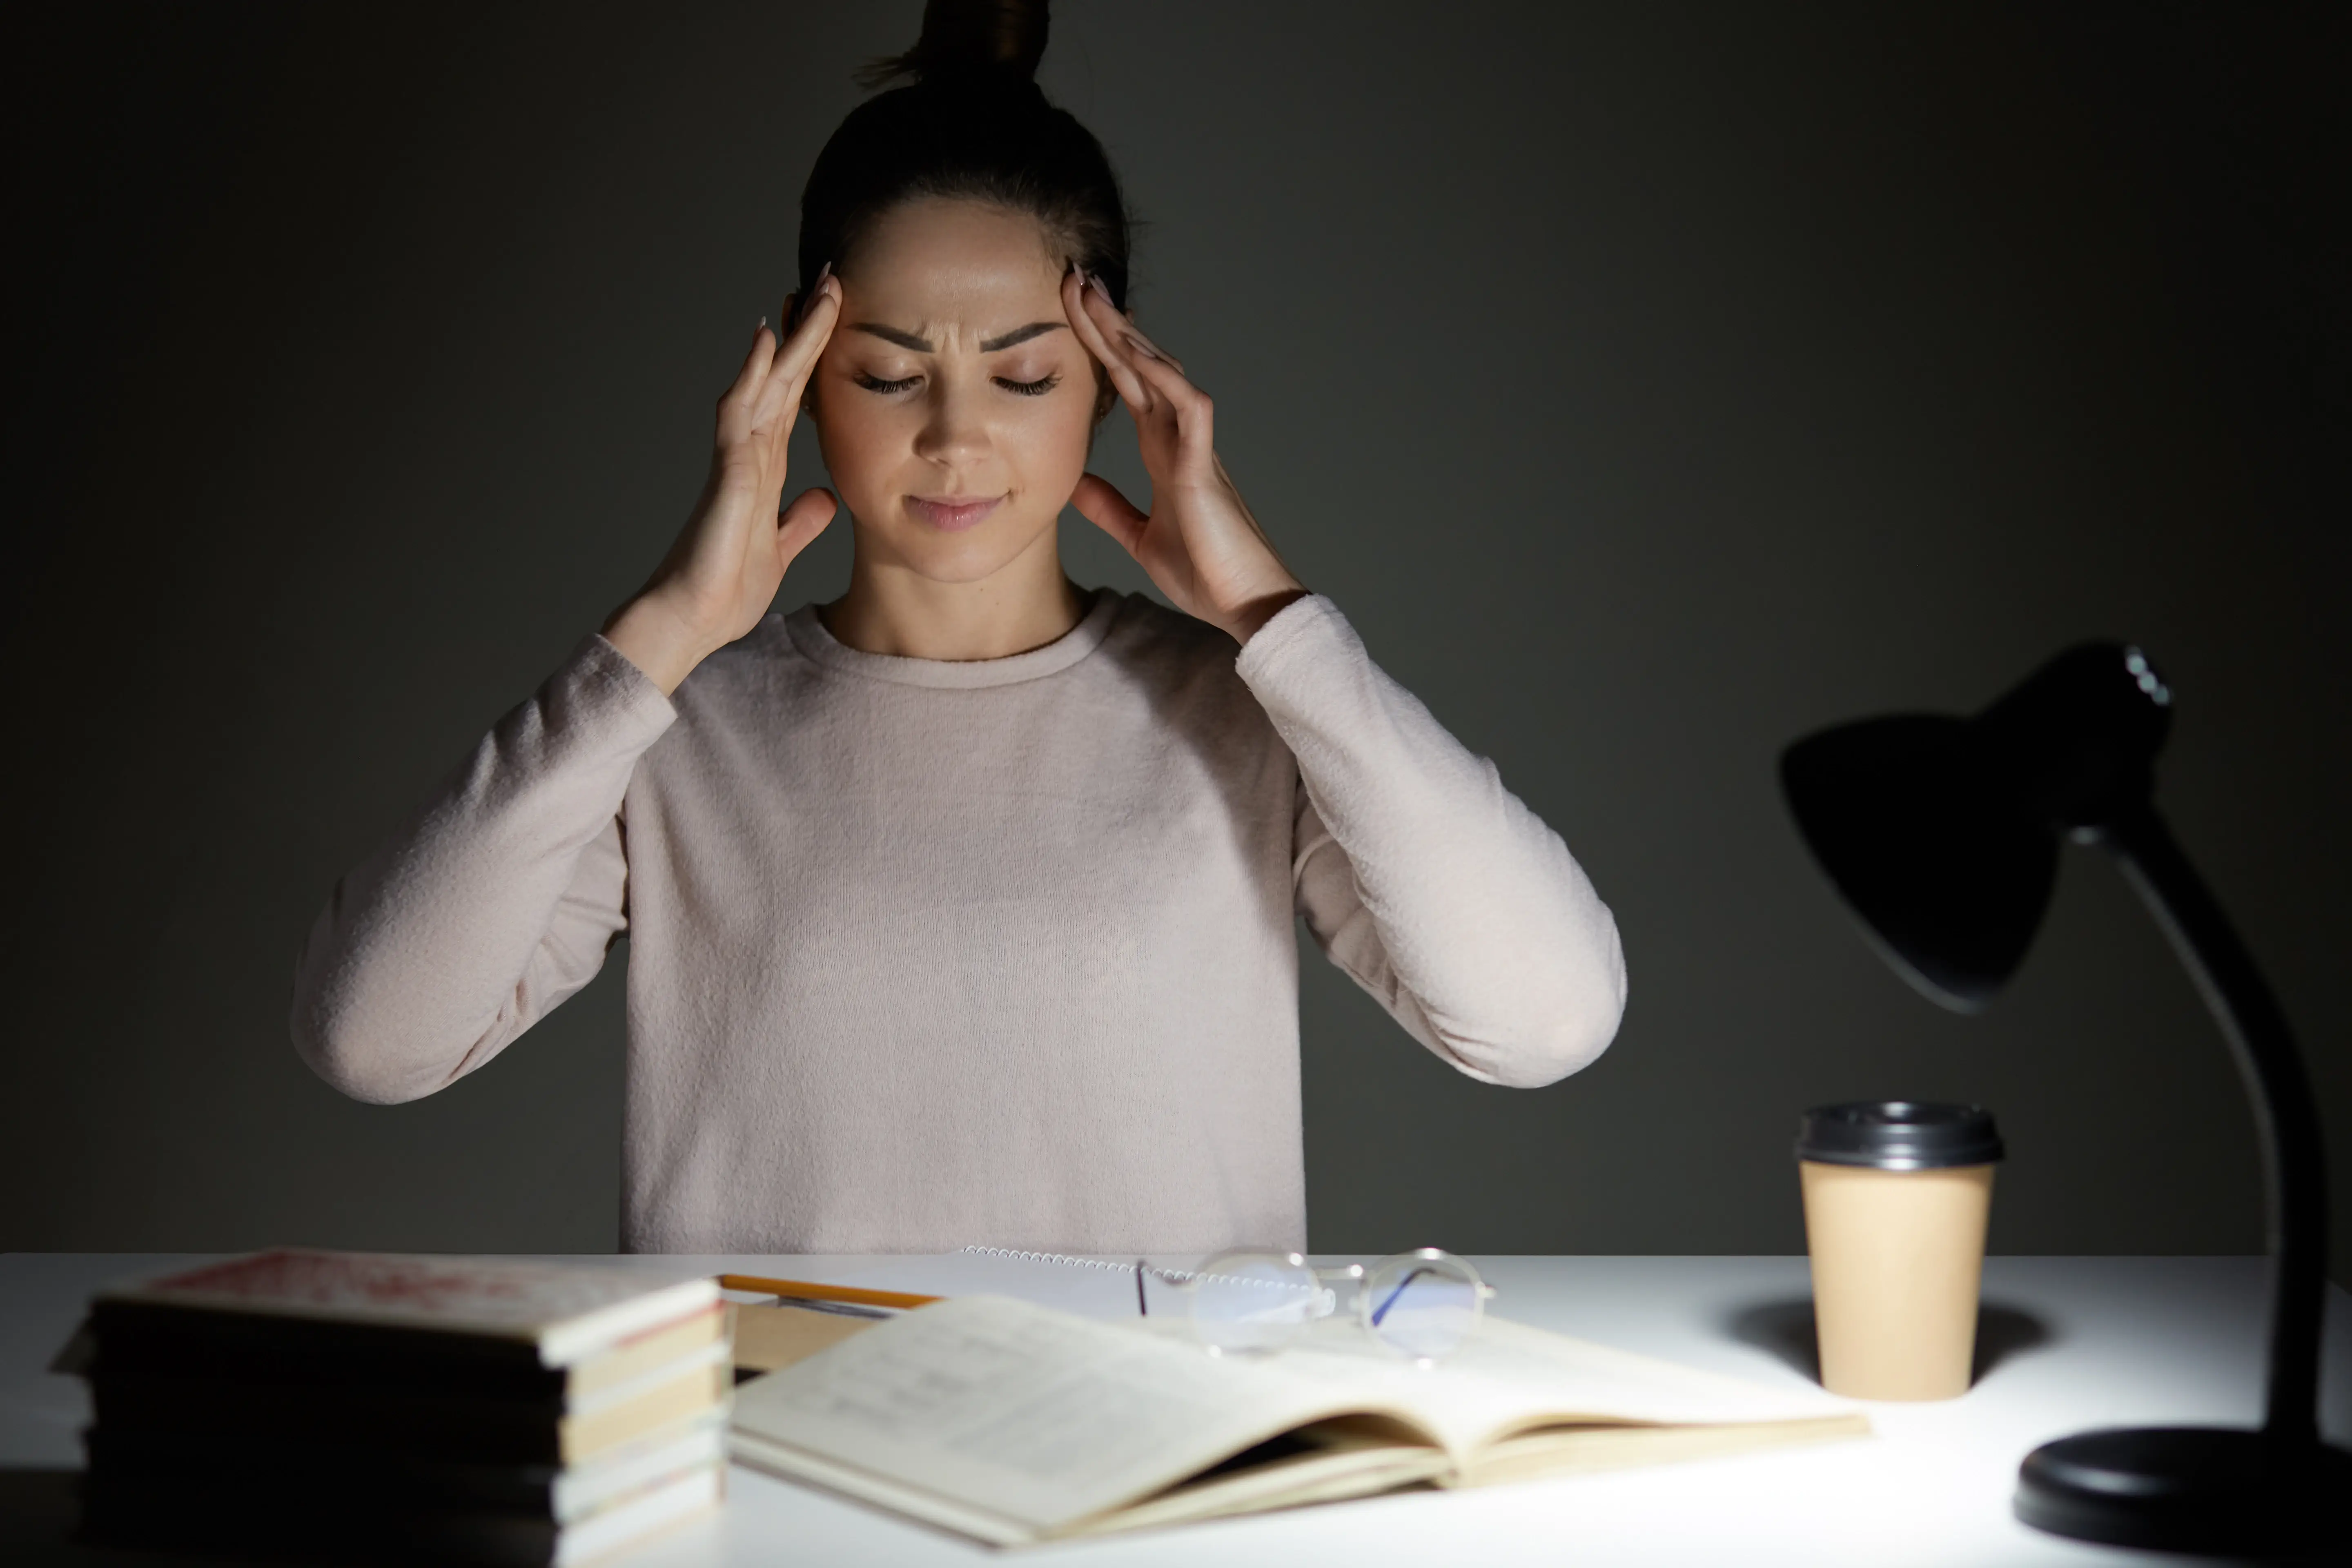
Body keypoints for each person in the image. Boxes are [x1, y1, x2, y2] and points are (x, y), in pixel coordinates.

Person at [290, 0, 1626, 1255]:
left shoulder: (1245, 712)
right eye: (887, 373)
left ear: (1114, 386)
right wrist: (654, 643)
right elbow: (374, 1040)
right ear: (801, 388)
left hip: (1145, 1472)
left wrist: (1280, 624)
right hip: (779, 1466)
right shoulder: (674, 731)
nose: (954, 436)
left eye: (1024, 372)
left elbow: (1546, 1021)